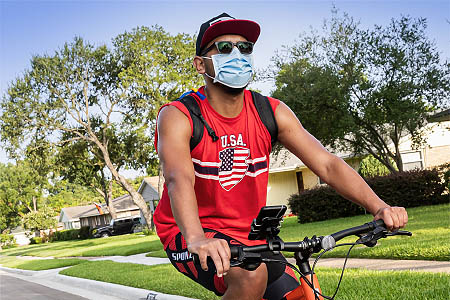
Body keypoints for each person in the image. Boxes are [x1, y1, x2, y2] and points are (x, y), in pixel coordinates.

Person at [154, 12, 408, 300]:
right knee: (251, 277)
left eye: (245, 47)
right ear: (201, 64)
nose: (237, 54)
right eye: (225, 48)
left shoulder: (270, 112)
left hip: (252, 238)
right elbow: (179, 179)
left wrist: (379, 207)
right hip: (187, 232)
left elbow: (327, 164)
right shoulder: (179, 116)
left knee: (299, 293)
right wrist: (197, 238)